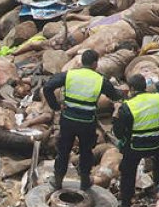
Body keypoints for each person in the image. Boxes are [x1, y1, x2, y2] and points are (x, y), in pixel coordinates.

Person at [42, 49, 123, 189]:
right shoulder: (100, 80)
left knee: (63, 151)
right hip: (87, 122)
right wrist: (122, 92)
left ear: (81, 62)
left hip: (68, 119)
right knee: (86, 152)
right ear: (95, 64)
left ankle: (58, 180)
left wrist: (55, 106)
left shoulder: (69, 75)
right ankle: (85, 181)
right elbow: (115, 96)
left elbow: (48, 87)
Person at [113, 73, 159, 207]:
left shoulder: (127, 107)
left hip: (135, 147)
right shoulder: (158, 98)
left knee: (127, 173)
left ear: (132, 89)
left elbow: (119, 133)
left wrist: (115, 115)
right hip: (156, 144)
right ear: (145, 86)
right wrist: (156, 81)